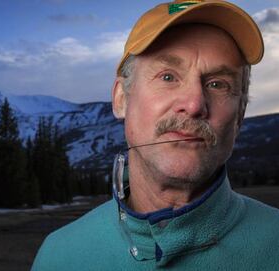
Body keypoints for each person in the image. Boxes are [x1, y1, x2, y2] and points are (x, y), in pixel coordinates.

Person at [32, 1, 279, 270]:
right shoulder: (59, 256)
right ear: (121, 99)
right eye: (168, 77)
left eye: (218, 84)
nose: (194, 104)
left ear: (240, 114)